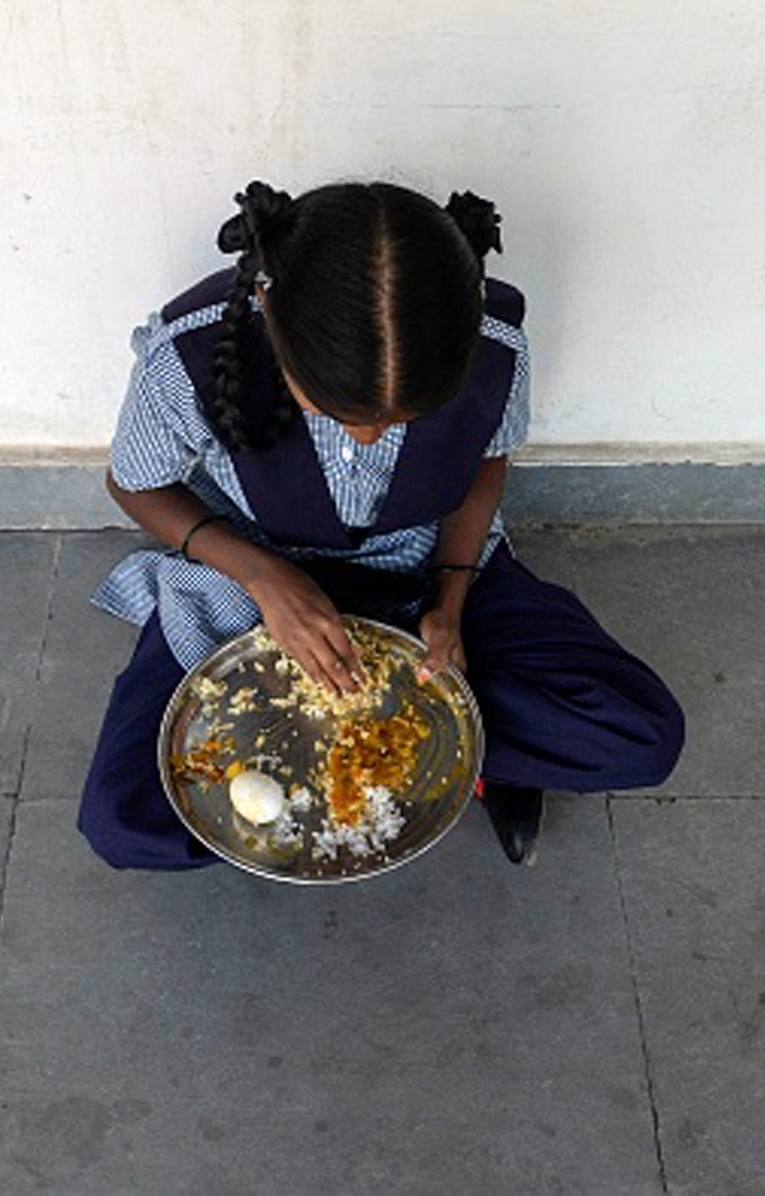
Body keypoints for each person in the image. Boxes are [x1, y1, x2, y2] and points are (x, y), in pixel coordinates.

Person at [80, 179, 683, 870]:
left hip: (427, 563)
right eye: (338, 414)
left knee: (640, 734)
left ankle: (428, 752)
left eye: (400, 422)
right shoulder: (189, 353)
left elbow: (487, 460)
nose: (368, 440)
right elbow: (135, 484)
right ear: (270, 317)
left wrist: (451, 598)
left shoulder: (490, 344)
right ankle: (426, 751)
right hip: (250, 575)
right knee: (125, 821)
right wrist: (266, 577)